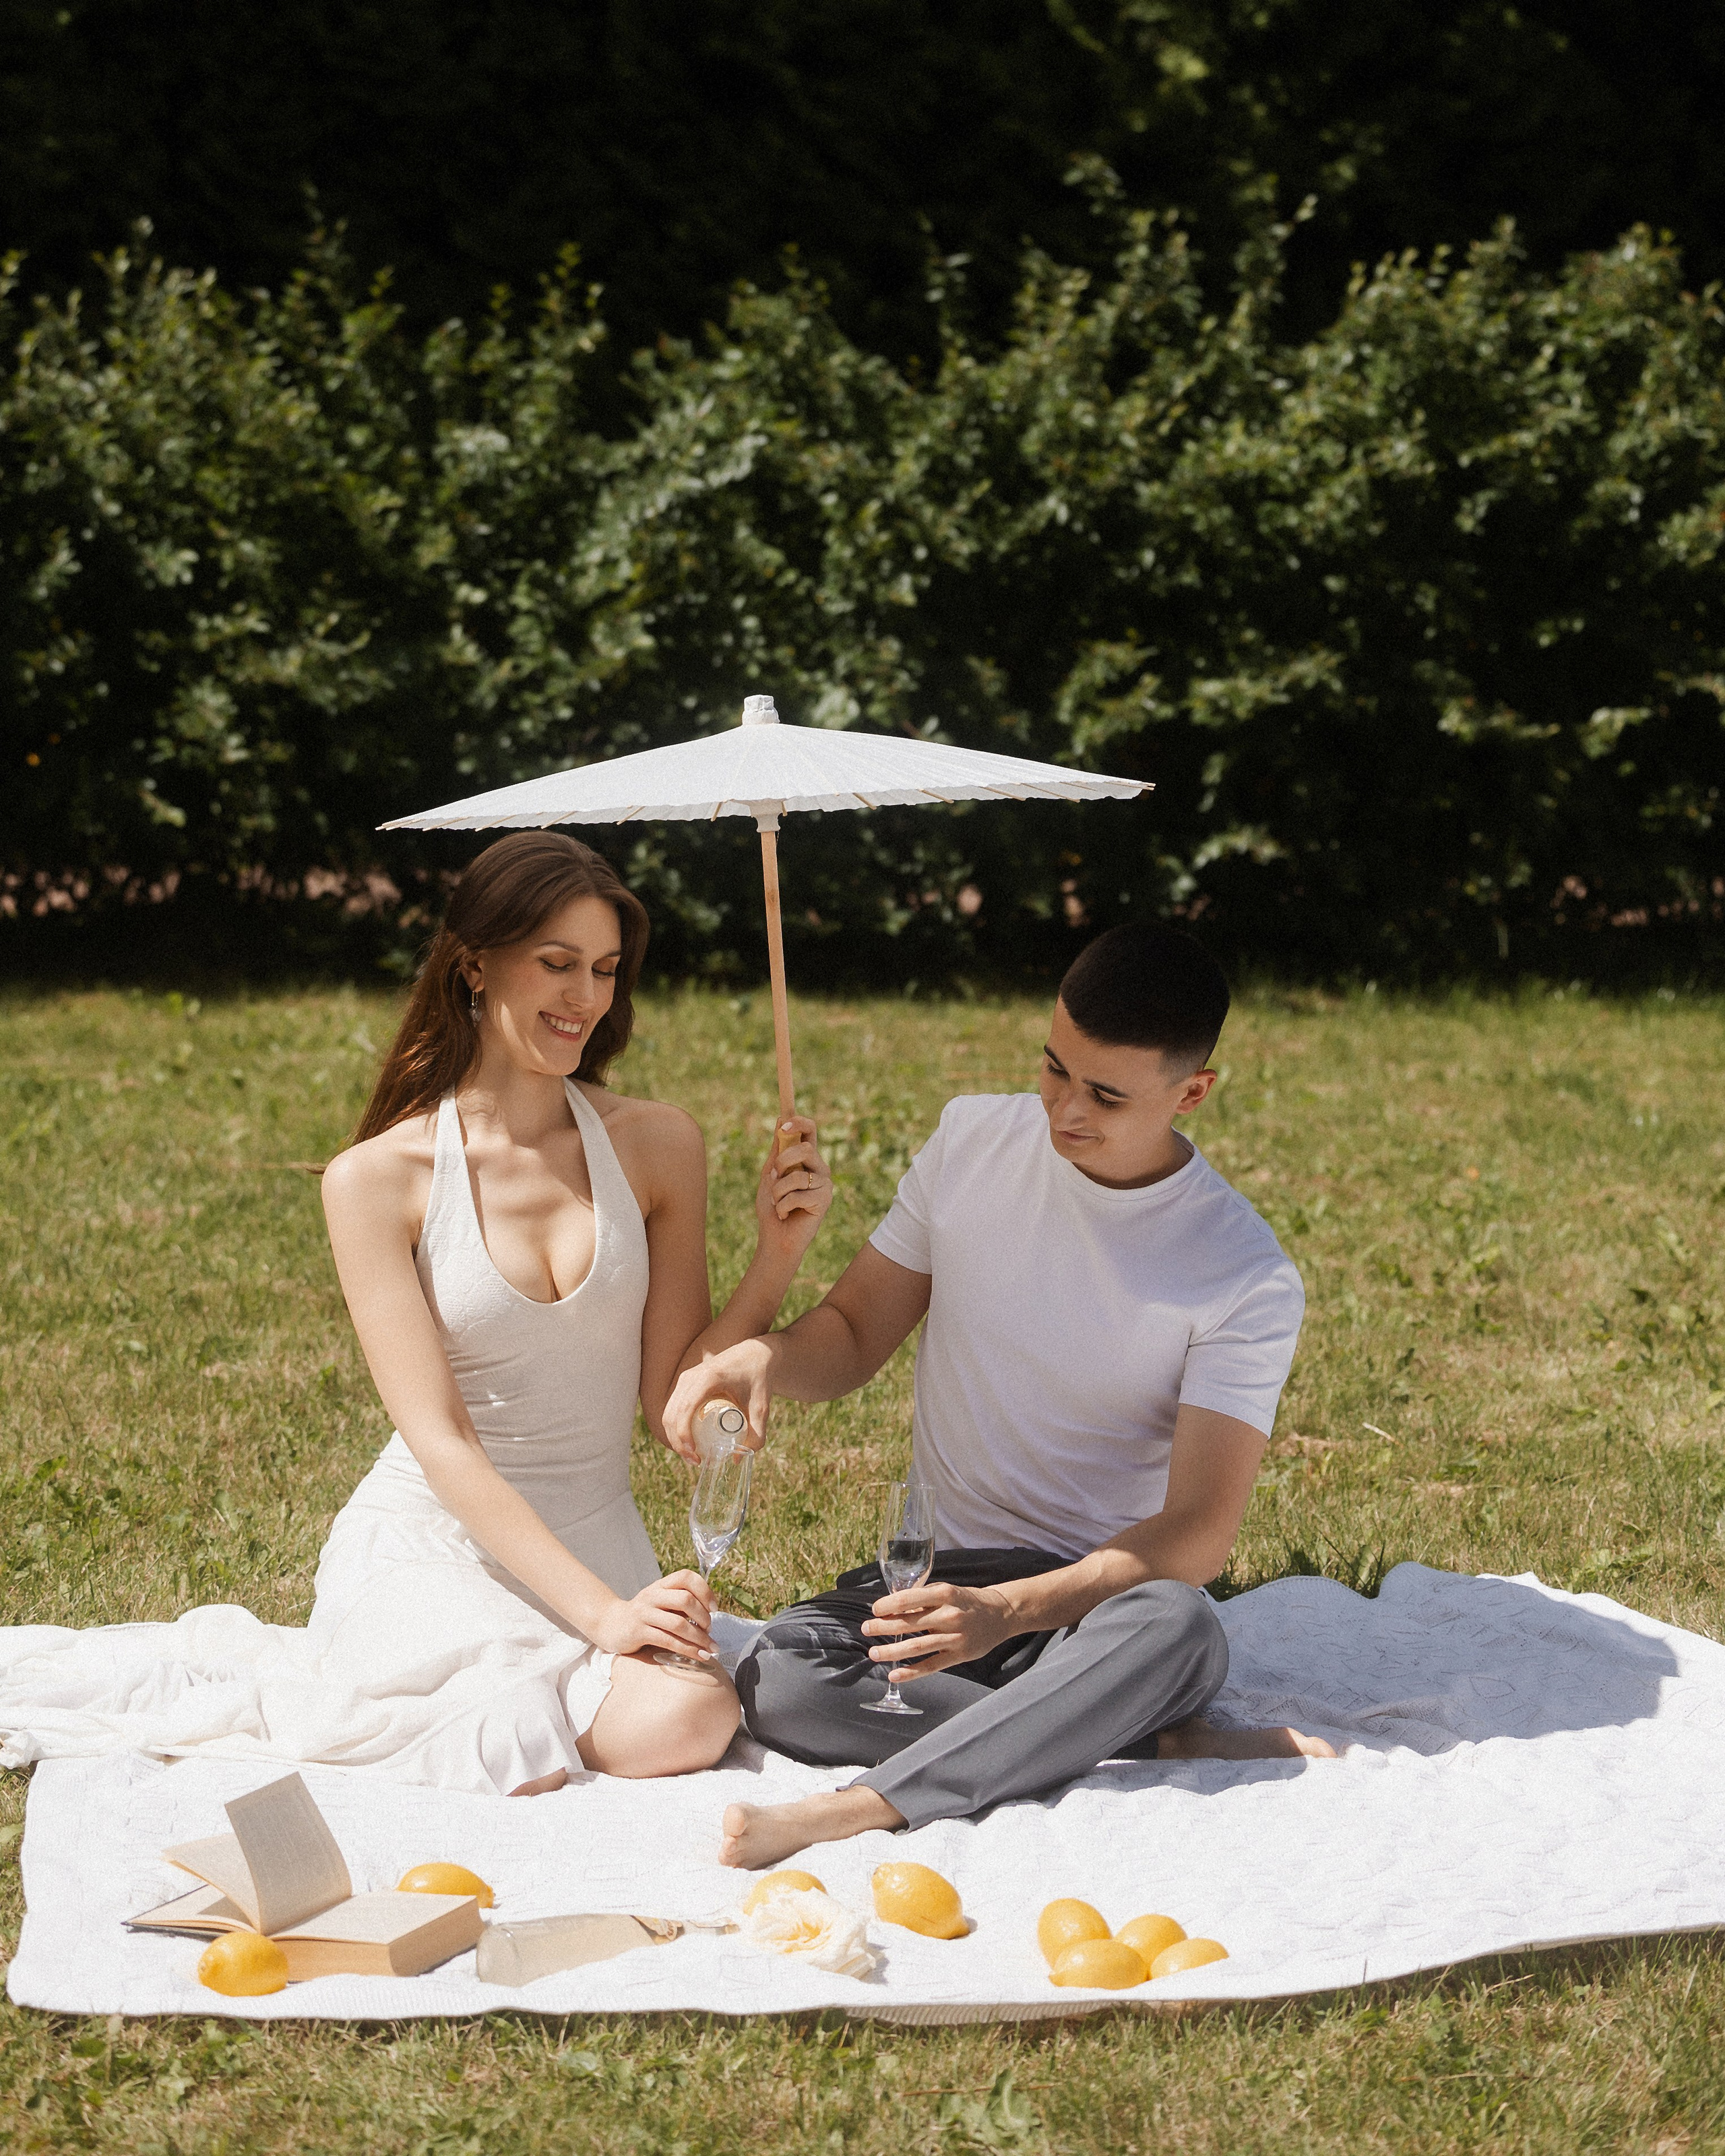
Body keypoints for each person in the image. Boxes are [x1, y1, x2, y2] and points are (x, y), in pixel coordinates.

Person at [0, 833, 831, 1797]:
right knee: (570, 1725)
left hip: (596, 1537)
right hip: (435, 1548)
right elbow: (443, 1445)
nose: (585, 997)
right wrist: (605, 1618)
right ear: (474, 965)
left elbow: (673, 1405)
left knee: (692, 1713)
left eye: (605, 970)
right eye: (556, 963)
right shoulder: (376, 1180)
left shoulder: (658, 1144)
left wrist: (778, 1255)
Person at [664, 923, 1334, 1868]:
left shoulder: (1243, 1273)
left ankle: (860, 1808)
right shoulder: (973, 1139)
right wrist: (765, 1358)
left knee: (1181, 1627)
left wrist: (1012, 1611)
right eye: (1055, 1069)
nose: (1065, 1109)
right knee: (780, 1675)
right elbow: (852, 1334)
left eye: (1106, 1095)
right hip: (934, 1583)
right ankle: (1124, 1734)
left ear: (1192, 1093)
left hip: (1092, 1609)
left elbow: (1197, 1533)